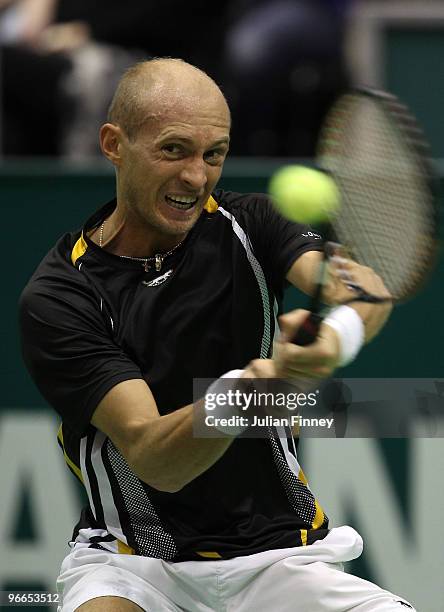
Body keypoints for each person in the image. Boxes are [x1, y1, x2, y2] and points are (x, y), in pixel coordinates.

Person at [19, 58, 415, 612]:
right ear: (113, 144)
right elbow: (156, 459)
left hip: (279, 561)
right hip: (134, 564)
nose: (197, 177)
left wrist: (337, 337)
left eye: (215, 154)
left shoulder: (252, 222)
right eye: (174, 150)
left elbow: (365, 290)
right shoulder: (61, 296)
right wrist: (257, 386)